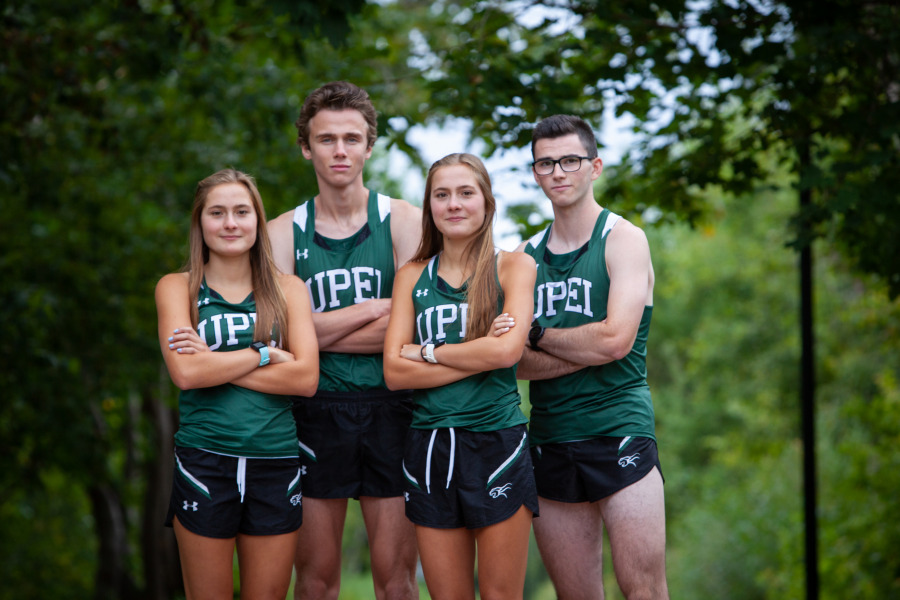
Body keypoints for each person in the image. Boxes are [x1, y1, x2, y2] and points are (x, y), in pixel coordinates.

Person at [267, 81, 422, 600]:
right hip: (313, 409)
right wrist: (372, 311)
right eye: (327, 138)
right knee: (314, 581)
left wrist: (313, 329)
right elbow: (278, 336)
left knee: (396, 580)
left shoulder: (403, 221)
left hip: (393, 406)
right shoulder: (280, 234)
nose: (340, 150)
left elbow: (415, 329)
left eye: (351, 138)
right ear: (306, 146)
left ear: (369, 145)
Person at [516, 115, 669, 600]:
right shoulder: (522, 257)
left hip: (619, 428)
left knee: (642, 588)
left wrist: (538, 333)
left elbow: (615, 342)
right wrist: (591, 344)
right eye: (546, 163)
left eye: (570, 160)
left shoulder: (623, 239)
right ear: (535, 172)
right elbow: (512, 363)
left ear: (594, 166)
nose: (558, 172)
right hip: (550, 436)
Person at [155, 168, 320, 600]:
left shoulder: (289, 290)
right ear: (200, 223)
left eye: (242, 211)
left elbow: (305, 379)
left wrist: (213, 360)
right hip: (205, 461)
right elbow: (186, 374)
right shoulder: (178, 288)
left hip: (275, 461)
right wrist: (263, 354)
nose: (230, 223)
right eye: (218, 212)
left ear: (257, 220)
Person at [383, 153, 539, 600]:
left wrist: (426, 351)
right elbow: (394, 372)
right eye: (442, 194)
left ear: (487, 203)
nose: (454, 204)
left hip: (497, 442)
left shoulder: (514, 266)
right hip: (430, 446)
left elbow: (507, 352)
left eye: (466, 193)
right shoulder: (412, 275)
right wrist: (478, 352)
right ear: (430, 206)